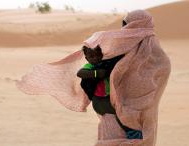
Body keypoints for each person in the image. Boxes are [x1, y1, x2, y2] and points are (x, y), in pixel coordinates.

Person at [16, 10, 171, 146]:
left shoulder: (115, 49)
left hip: (113, 114)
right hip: (139, 121)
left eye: (125, 24)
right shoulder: (161, 59)